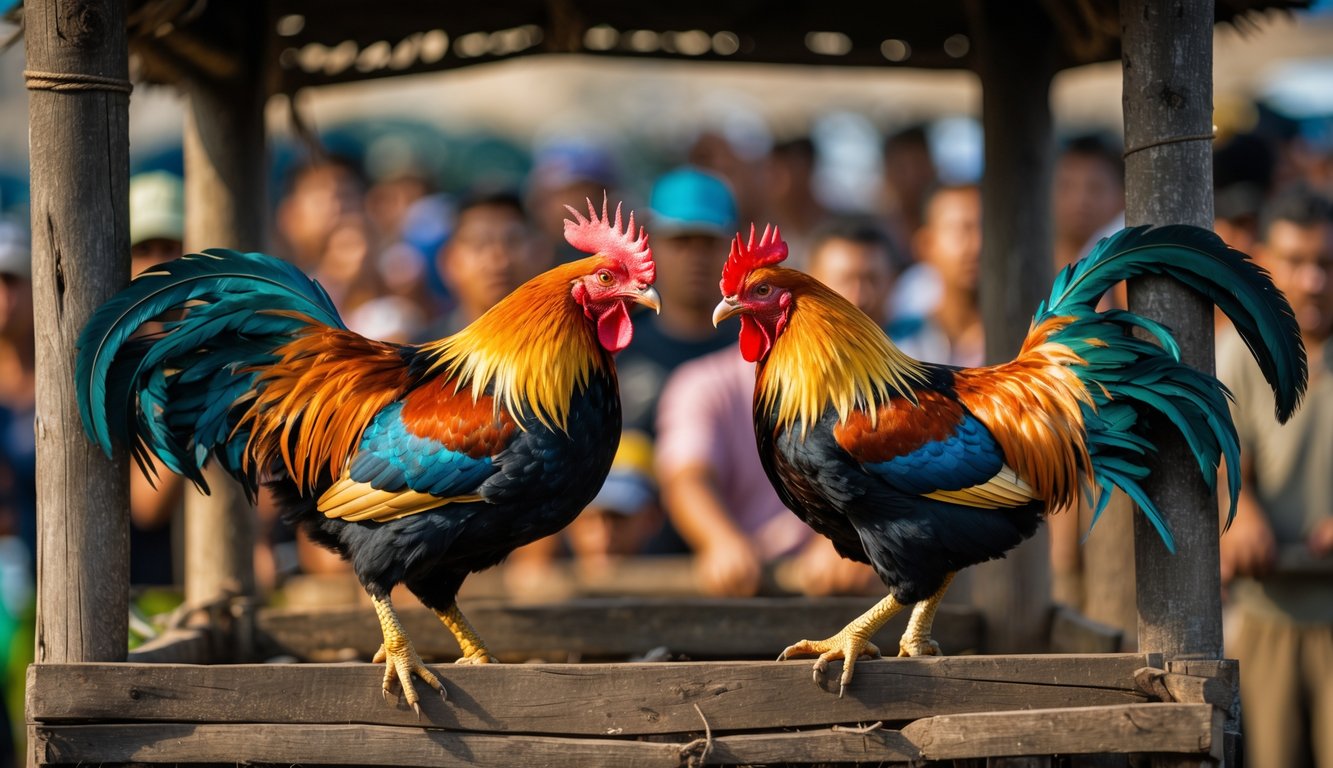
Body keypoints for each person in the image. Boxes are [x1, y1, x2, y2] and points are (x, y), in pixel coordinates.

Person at [1216, 187, 1333, 768]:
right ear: (1265, 263)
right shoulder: (1239, 354)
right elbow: (1217, 460)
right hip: (1267, 613)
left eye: (1326, 264)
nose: (1313, 281)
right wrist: (1240, 510)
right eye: (1296, 262)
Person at [126, 171, 188, 586]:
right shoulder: (118, 365)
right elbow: (147, 504)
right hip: (148, 591)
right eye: (144, 248)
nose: (158, 261)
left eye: (170, 247)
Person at [417, 189, 549, 341]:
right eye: (479, 243)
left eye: (513, 241)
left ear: (540, 254)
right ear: (449, 262)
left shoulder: (569, 346)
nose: (499, 260)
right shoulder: (424, 354)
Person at [891, 184, 984, 368]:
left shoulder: (1032, 337)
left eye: (987, 229)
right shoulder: (901, 342)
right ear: (926, 244)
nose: (978, 245)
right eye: (963, 230)